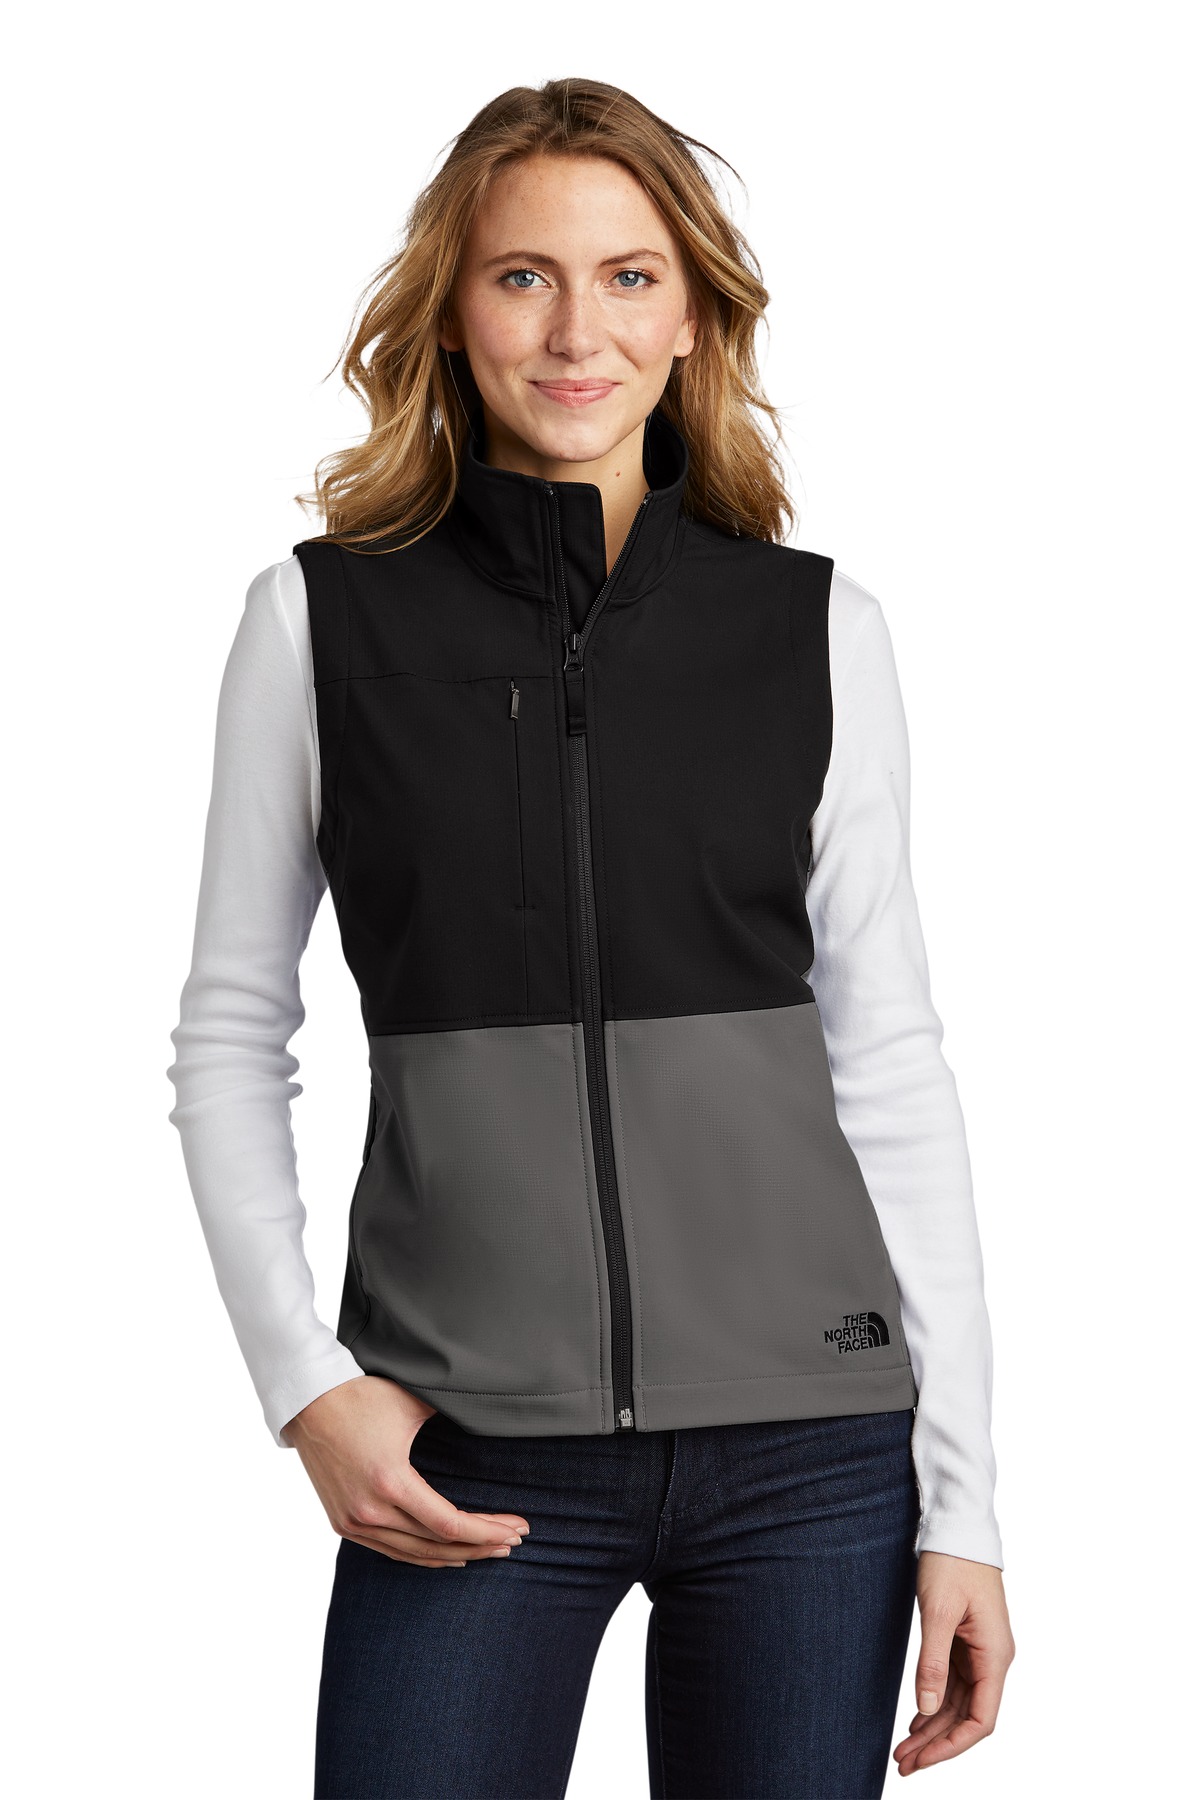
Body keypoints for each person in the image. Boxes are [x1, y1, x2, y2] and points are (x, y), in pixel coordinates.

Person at [167, 76, 1015, 1800]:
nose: (578, 332)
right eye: (522, 277)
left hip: (813, 1455)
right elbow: (232, 1035)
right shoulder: (322, 622)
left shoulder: (814, 630)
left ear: (694, 316)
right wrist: (306, 1387)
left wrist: (967, 1502)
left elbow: (891, 1061)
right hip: (469, 1444)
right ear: (450, 311)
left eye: (630, 277)